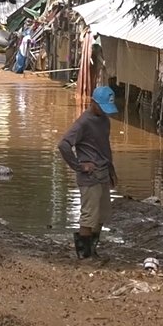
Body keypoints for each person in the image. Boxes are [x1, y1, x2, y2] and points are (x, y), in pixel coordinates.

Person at [58, 86, 119, 259]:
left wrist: (112, 171)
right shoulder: (83, 122)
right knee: (89, 215)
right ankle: (84, 254)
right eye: (102, 107)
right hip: (90, 177)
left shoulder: (105, 121)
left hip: (103, 173)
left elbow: (105, 148)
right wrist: (79, 166)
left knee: (102, 213)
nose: (104, 112)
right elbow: (63, 145)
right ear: (93, 103)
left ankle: (92, 248)